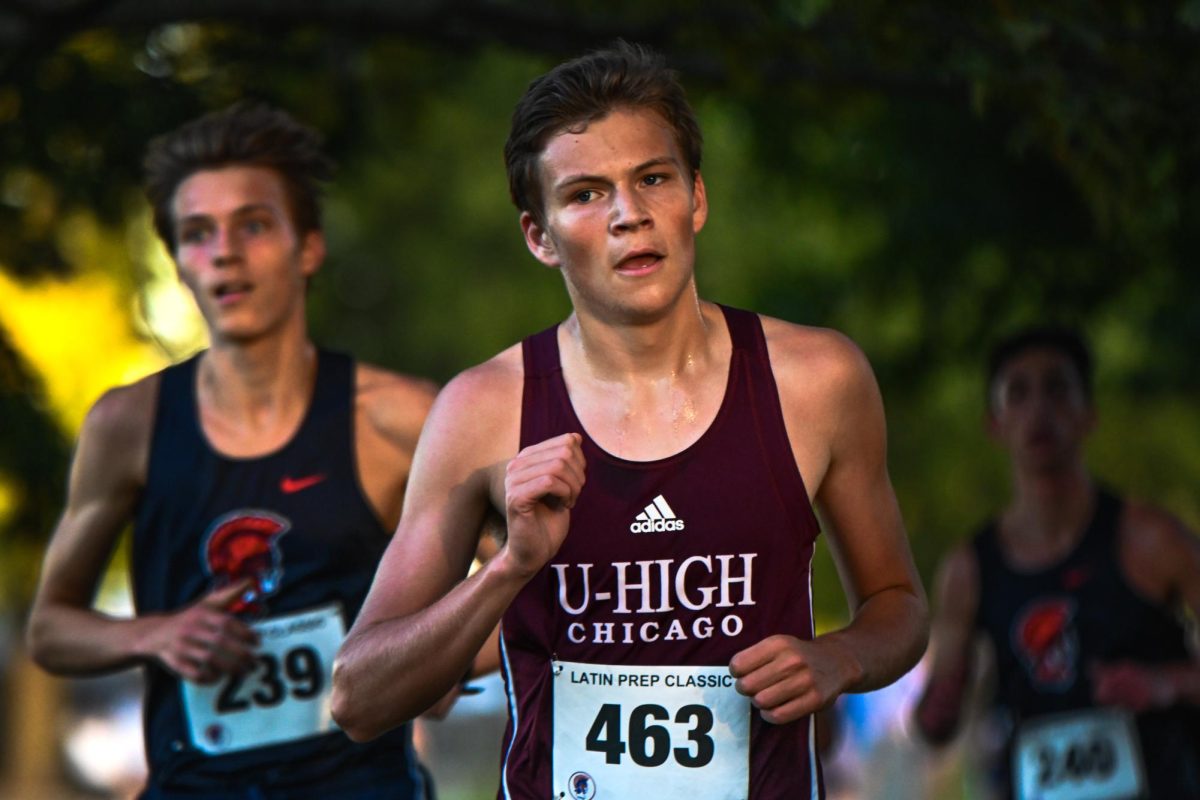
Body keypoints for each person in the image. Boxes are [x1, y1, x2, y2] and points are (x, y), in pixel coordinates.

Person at [331, 41, 928, 799]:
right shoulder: (482, 412)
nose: (629, 215)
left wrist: (839, 660)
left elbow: (898, 605)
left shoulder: (817, 381)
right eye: (585, 194)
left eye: (653, 178)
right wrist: (509, 570)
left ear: (696, 197)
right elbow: (357, 697)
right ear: (539, 236)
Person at [25, 102, 439, 799]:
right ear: (179, 262)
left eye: (252, 224)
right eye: (197, 233)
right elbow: (49, 629)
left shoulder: (400, 418)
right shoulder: (129, 425)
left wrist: (435, 662)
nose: (225, 252)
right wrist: (155, 634)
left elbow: (519, 586)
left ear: (308, 245)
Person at [914, 326, 1200, 799]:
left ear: (1089, 414)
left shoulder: (1149, 539)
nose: (1039, 410)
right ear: (995, 423)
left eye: (1058, 388)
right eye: (1018, 392)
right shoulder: (969, 568)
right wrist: (937, 710)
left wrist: (1164, 684)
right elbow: (935, 722)